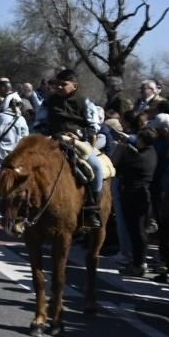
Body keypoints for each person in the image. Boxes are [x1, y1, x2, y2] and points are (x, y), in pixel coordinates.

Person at [36, 68, 106, 229]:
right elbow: (39, 122)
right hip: (52, 140)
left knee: (96, 167)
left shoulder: (85, 102)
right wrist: (46, 133)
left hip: (77, 141)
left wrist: (80, 135)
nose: (59, 87)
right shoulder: (48, 102)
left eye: (63, 84)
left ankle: (92, 208)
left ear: (74, 86)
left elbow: (94, 125)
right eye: (57, 84)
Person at [111, 125, 158, 276]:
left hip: (134, 197)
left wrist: (121, 149)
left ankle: (139, 264)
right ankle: (137, 262)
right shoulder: (151, 152)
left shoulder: (137, 158)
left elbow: (115, 165)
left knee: (137, 232)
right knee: (136, 232)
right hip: (138, 196)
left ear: (143, 140)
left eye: (138, 138)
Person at [0, 94, 29, 175]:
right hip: (16, 150)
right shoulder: (21, 119)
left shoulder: (1, 116)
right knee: (14, 172)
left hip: (0, 150)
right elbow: (25, 136)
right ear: (20, 107)